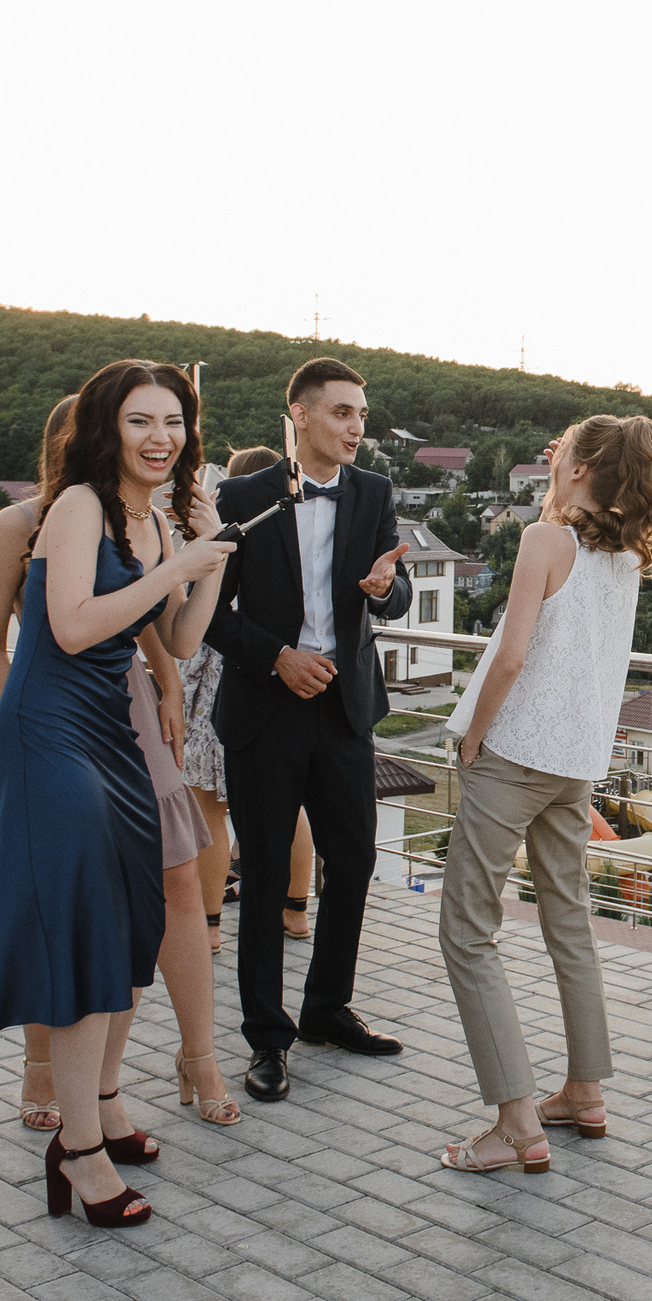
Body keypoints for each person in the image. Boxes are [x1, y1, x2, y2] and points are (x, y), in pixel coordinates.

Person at [0, 359, 235, 1227]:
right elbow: (73, 625)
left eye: (173, 420)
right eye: (141, 420)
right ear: (106, 428)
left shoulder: (153, 523)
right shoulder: (79, 506)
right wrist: (178, 567)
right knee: (84, 925)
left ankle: (90, 1123)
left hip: (112, 729)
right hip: (51, 726)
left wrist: (205, 561)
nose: (160, 436)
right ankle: (80, 1150)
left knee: (119, 927)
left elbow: (178, 636)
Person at [436, 415, 652, 1173]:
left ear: (579, 469)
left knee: (466, 931)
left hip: (514, 753)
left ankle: (515, 1121)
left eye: (564, 454)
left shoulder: (545, 542)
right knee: (569, 924)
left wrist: (473, 736)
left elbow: (511, 656)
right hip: (575, 763)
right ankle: (584, 1090)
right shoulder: (625, 558)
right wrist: (571, 474)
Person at [198, 358, 413, 1102]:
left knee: (352, 863)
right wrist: (278, 658)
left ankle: (326, 1008)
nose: (358, 428)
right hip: (266, 709)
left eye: (362, 414)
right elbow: (211, 618)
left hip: (345, 710)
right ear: (299, 414)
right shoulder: (241, 496)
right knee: (261, 876)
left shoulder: (377, 493)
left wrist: (390, 589)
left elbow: (394, 588)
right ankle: (266, 1036)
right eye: (343, 413)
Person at [176, 448, 317, 952]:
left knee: (209, 806)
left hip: (224, 668)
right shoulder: (289, 522)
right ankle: (295, 912)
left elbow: (197, 609)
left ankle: (210, 927)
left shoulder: (228, 525)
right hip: (269, 671)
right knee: (290, 805)